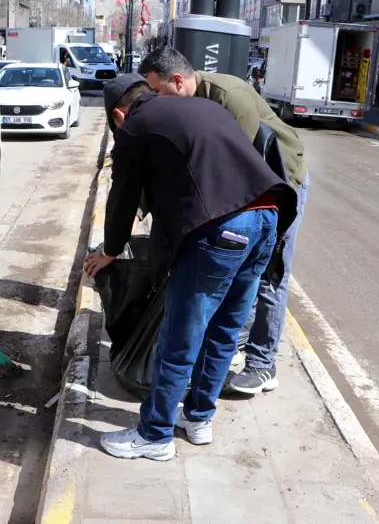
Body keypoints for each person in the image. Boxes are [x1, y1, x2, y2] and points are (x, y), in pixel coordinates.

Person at [85, 74, 296, 460]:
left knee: (180, 335)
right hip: (268, 217)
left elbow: (122, 199)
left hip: (222, 231)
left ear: (118, 113)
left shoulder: (133, 127)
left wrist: (110, 251)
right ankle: (198, 419)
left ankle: (155, 435)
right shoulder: (202, 106)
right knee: (224, 330)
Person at [138, 46, 308, 394]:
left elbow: (236, 169)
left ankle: (262, 364)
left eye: (156, 91)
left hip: (280, 181)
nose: (155, 99)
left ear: (178, 81)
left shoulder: (231, 98)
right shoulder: (187, 104)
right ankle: (227, 347)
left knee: (269, 274)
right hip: (246, 188)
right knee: (230, 270)